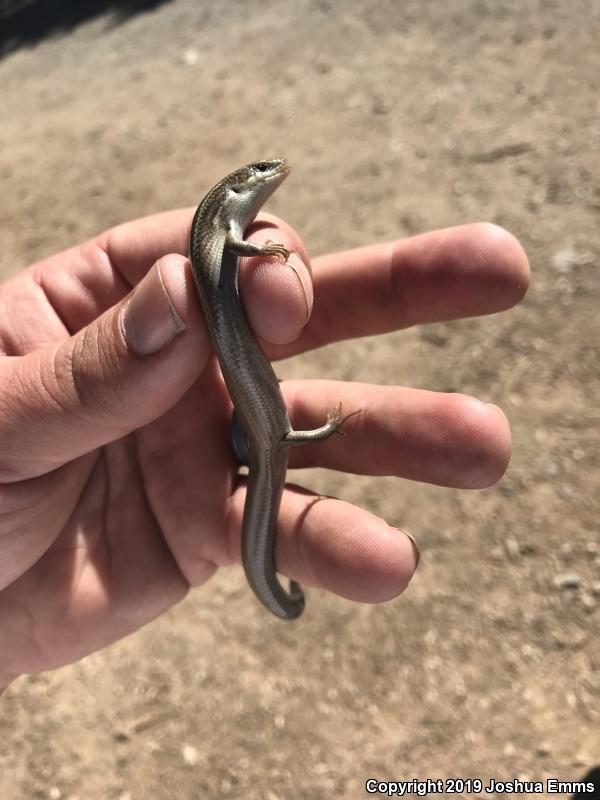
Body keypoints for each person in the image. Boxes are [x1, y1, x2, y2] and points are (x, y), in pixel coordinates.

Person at [0, 209, 529, 693]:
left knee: (274, 442)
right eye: (259, 173)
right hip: (268, 435)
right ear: (233, 194)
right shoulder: (220, 231)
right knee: (276, 439)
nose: (272, 175)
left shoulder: (220, 236)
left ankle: (276, 559)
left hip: (264, 433)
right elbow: (234, 250)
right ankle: (276, 571)